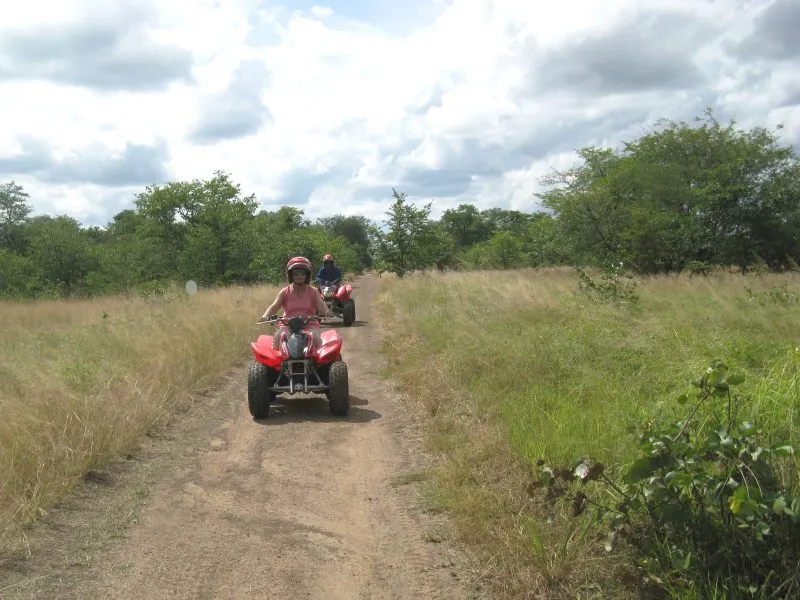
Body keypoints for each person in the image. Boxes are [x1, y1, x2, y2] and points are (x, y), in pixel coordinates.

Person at [261, 256, 333, 349]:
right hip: (287, 325)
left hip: (309, 324)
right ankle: (274, 363)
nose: (299, 276)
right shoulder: (284, 292)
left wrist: (327, 312)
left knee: (317, 339)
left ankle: (323, 363)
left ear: (307, 275)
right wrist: (265, 315)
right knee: (279, 336)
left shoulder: (314, 291)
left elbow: (322, 306)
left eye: (302, 273)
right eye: (296, 273)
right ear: (290, 275)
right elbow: (274, 306)